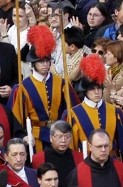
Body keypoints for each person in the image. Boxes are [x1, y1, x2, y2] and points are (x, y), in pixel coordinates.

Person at [9, 25, 79, 153]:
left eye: (47, 61)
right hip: (36, 137)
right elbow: (17, 117)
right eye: (41, 61)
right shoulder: (23, 87)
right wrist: (23, 136)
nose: (45, 65)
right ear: (33, 63)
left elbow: (73, 109)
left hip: (60, 135)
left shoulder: (62, 83)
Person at [65, 54, 123, 172]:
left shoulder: (115, 111)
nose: (97, 92)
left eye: (99, 88)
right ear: (85, 91)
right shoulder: (73, 114)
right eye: (92, 89)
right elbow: (71, 148)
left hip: (112, 165)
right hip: (86, 166)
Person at [31, 121, 84, 187]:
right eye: (59, 136)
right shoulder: (38, 158)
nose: (63, 140)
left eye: (67, 137)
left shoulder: (79, 157)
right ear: (51, 138)